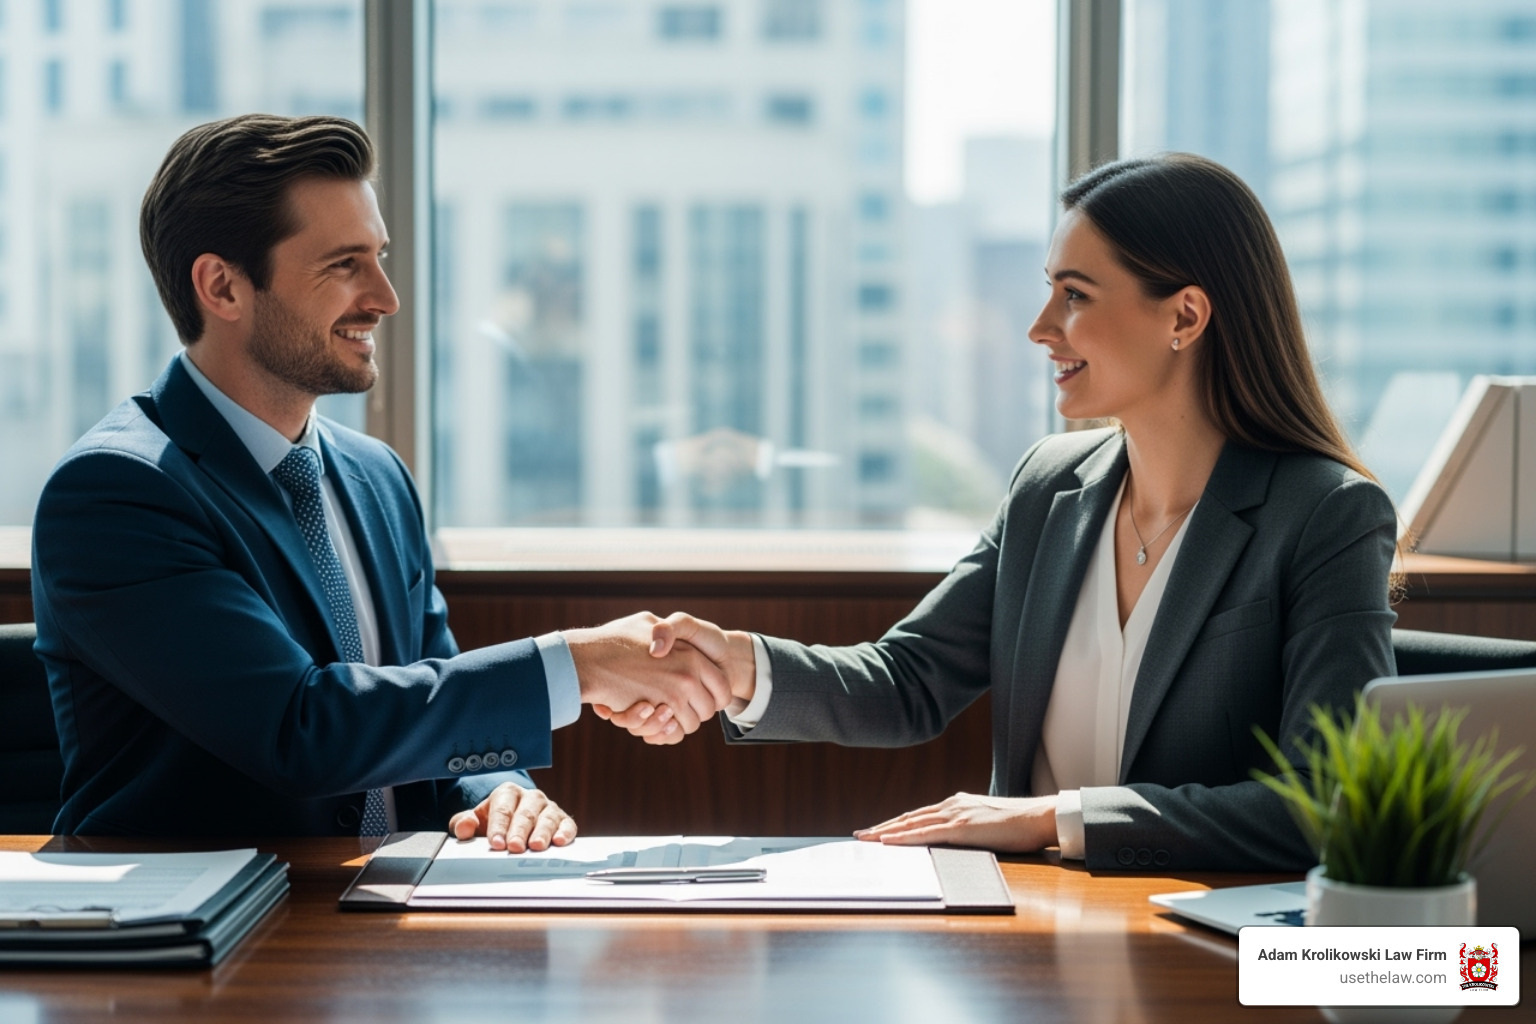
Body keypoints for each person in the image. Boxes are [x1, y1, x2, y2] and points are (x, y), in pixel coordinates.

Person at [620, 154, 1399, 872]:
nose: (1040, 327)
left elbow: (1323, 802)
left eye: (1075, 295)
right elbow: (910, 680)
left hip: (1189, 937)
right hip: (1023, 924)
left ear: (1184, 318)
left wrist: (1053, 817)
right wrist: (739, 666)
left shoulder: (1327, 516)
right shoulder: (1046, 487)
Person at [30, 114, 728, 845]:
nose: (386, 297)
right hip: (233, 911)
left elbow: (430, 694)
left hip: (393, 898)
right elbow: (299, 730)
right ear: (223, 287)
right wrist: (576, 666)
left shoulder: (377, 476)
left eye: (379, 257)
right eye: (344, 265)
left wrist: (498, 790)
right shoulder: (117, 493)